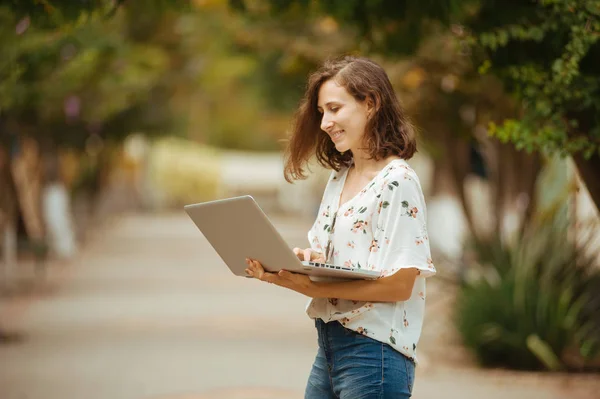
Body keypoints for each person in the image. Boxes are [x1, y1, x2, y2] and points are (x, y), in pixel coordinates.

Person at [244, 55, 436, 398]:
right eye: (321, 112)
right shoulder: (340, 177)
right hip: (330, 347)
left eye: (334, 108)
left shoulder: (398, 181)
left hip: (374, 355)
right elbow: (342, 259)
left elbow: (400, 285)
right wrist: (304, 262)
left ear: (371, 104)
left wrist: (312, 288)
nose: (324, 123)